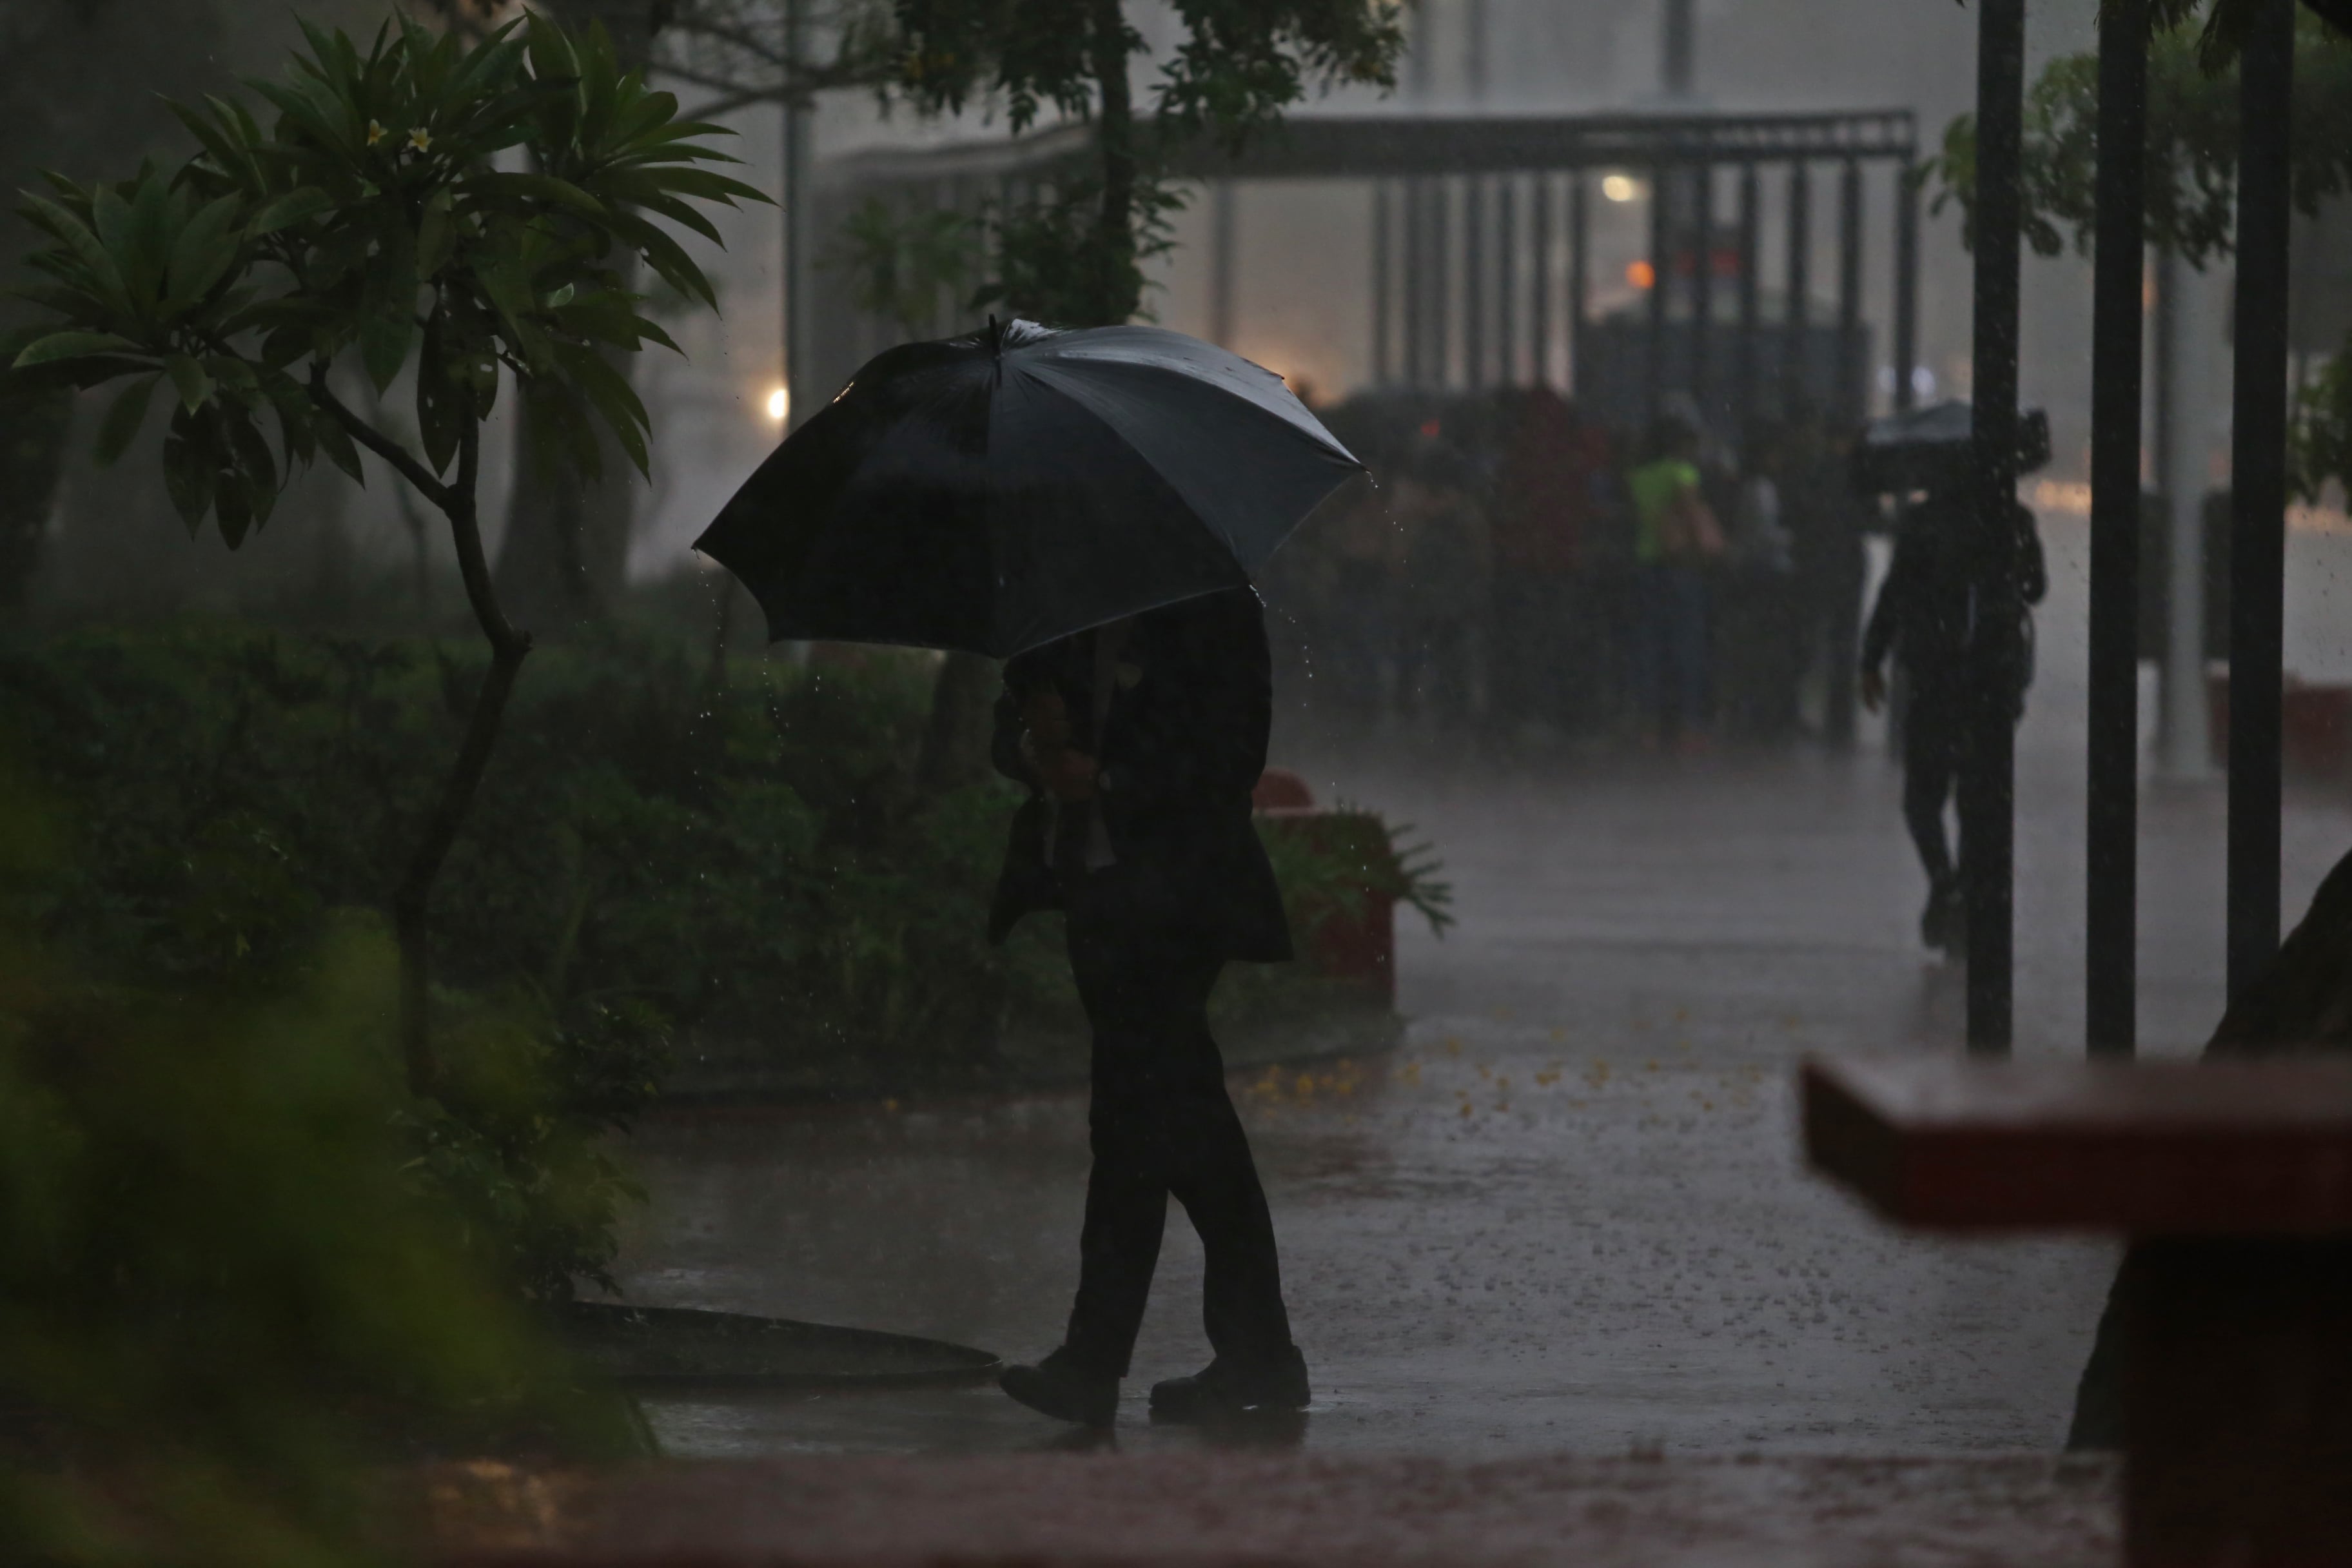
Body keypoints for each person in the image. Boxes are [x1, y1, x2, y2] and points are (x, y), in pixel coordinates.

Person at [986, 585, 1308, 1427]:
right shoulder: (1057, 605)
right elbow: (1006, 727)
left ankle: (1104, 1361)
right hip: (1093, 897)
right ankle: (1254, 1356)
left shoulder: (1210, 603)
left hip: (1181, 902)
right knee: (1167, 1127)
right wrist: (1032, 751)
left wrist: (1113, 779)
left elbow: (1231, 753)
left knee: (1145, 1122)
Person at [1859, 489, 2048, 952]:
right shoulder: (2013, 518)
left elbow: (1894, 590)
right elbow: (2035, 588)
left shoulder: (1922, 521)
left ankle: (1944, 881)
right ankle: (1962, 890)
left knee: (1923, 795)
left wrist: (1872, 657)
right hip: (1991, 677)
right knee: (1978, 795)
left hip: (1932, 675)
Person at [1625, 415, 1725, 750]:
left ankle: (1649, 726)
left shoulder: (1638, 476)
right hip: (1680, 565)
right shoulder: (1681, 472)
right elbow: (1692, 512)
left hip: (1646, 563)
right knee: (1687, 645)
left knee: (1648, 646)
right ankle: (1688, 724)